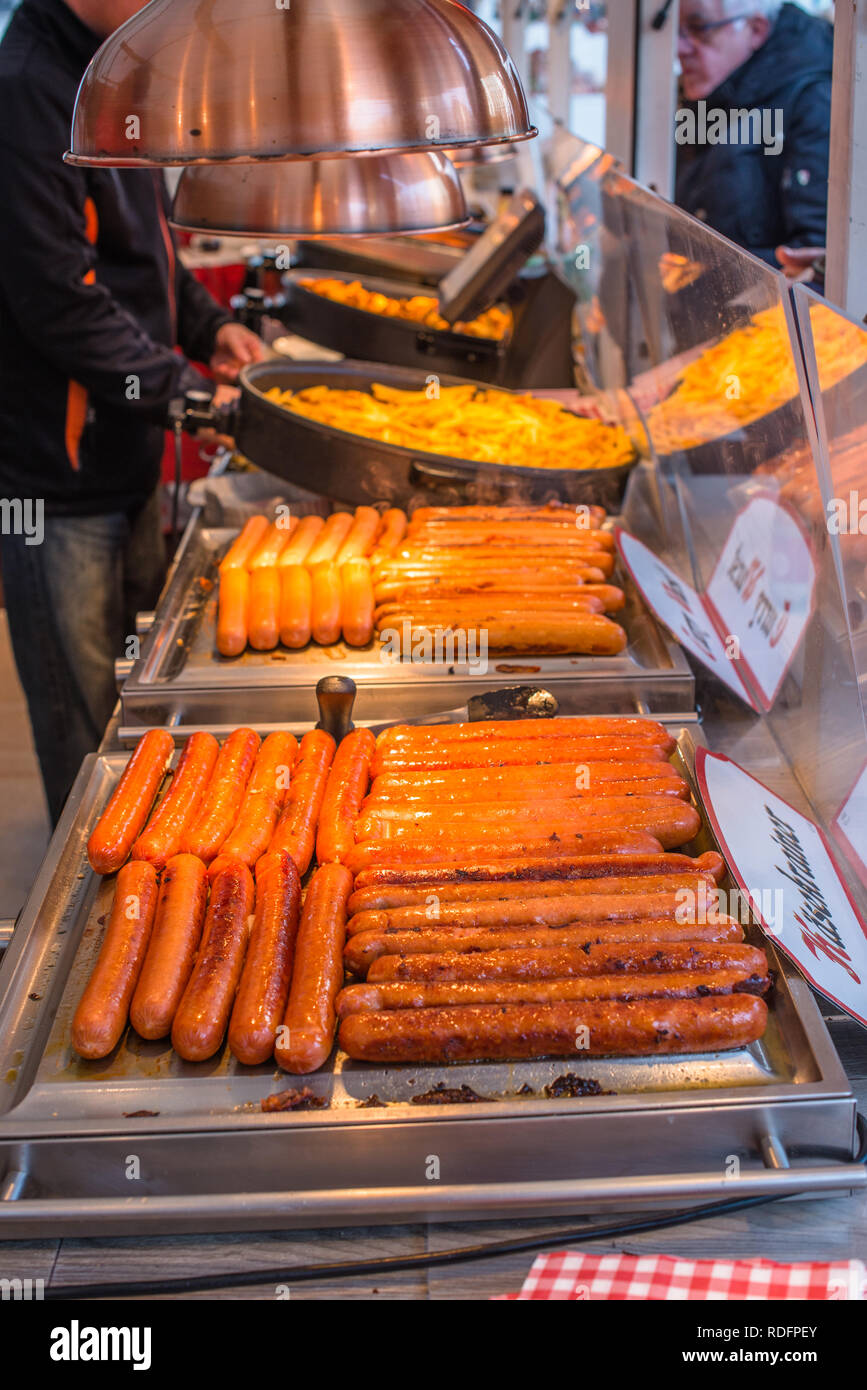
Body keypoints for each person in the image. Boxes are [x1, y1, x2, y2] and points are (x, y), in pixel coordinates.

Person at [0, 0, 265, 823]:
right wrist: (191, 397)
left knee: (144, 717)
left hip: (129, 454)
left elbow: (144, 258)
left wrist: (209, 325)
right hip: (55, 484)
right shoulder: (24, 89)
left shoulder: (116, 65)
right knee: (88, 750)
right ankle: (88, 924)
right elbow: (57, 299)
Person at [674, 0, 833, 272]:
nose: (680, 48)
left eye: (699, 28)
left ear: (756, 29)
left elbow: (813, 267)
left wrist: (705, 271)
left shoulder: (815, 102)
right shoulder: (712, 94)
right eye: (678, 31)